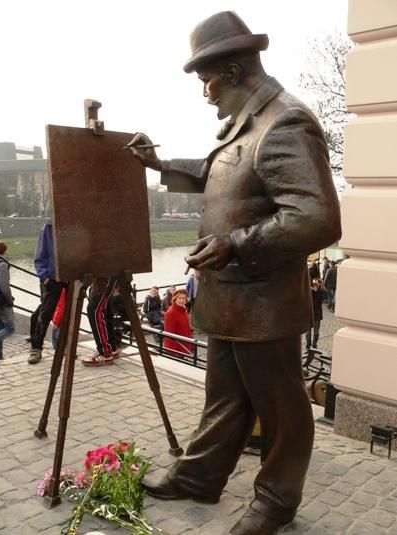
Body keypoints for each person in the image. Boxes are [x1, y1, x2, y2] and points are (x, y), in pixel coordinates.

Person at [128, 11, 341, 535]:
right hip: (230, 297)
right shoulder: (248, 124)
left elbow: (317, 217)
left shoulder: (286, 121)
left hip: (264, 299)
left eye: (206, 81)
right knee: (224, 395)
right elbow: (216, 171)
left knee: (281, 404)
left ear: (235, 70)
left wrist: (235, 244)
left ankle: (276, 499)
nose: (204, 93)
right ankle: (200, 477)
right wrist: (159, 165)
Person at [28, 220, 65, 364]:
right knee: (45, 313)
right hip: (51, 278)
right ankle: (36, 348)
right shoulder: (48, 228)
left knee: (69, 314)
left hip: (69, 278)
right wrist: (45, 278)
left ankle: (64, 347)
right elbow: (40, 256)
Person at [83, 277, 119, 367]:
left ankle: (104, 353)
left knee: (94, 311)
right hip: (105, 274)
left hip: (105, 275)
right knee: (105, 309)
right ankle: (111, 347)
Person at [0, 241, 15, 361]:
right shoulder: (2, 264)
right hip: (1, 301)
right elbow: (4, 286)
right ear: (4, 251)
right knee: (10, 328)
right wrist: (10, 300)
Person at [163, 289, 193, 357]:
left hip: (185, 346)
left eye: (183, 298)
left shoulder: (183, 310)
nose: (182, 300)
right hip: (177, 350)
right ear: (175, 299)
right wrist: (175, 351)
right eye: (179, 298)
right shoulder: (170, 313)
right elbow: (169, 335)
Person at [305, 278, 327, 351]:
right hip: (309, 314)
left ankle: (314, 345)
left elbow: (324, 298)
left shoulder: (321, 291)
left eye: (316, 283)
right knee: (308, 332)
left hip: (317, 314)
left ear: (319, 284)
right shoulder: (308, 291)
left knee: (316, 333)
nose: (314, 284)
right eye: (314, 283)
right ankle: (308, 345)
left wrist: (317, 291)